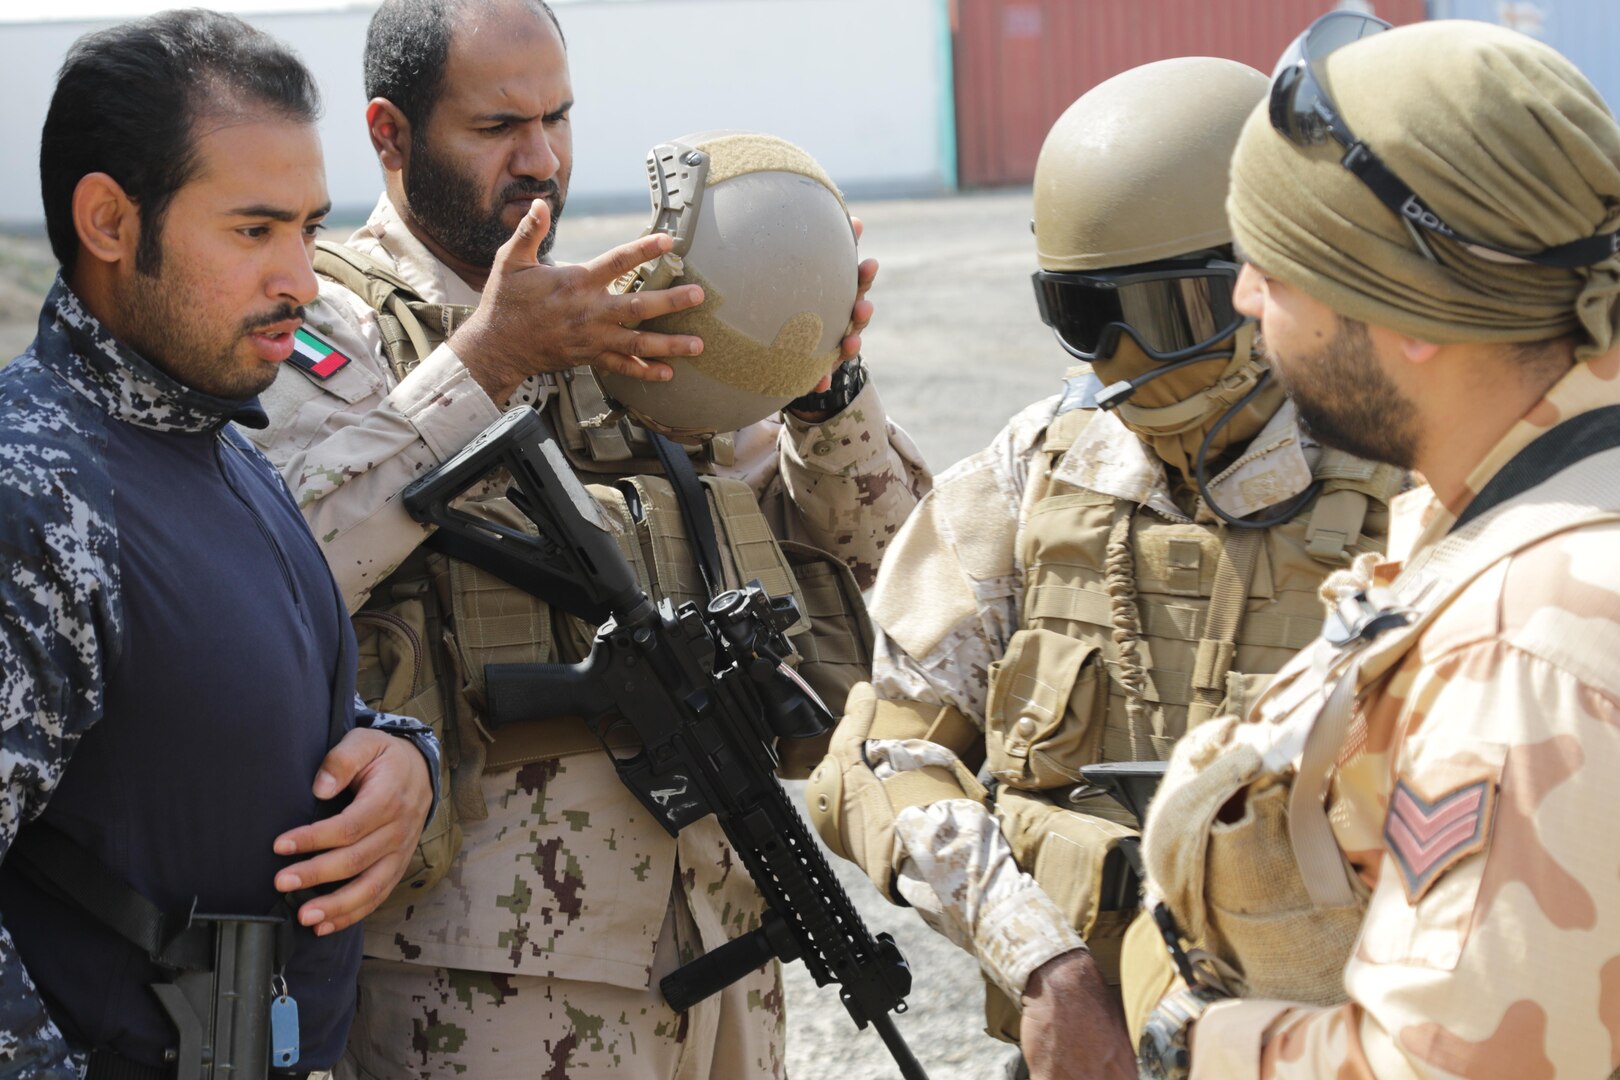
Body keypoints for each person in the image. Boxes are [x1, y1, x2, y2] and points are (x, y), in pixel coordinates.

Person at [240, 0, 929, 1075]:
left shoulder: (620, 320)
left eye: (558, 118)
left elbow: (891, 569)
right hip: (486, 981)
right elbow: (275, 570)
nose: (543, 158)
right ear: (390, 134)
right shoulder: (324, 331)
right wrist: (487, 361)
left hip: (725, 932)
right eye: (498, 127)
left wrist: (822, 386)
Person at [805, 57, 1403, 1080]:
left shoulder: (1412, 472)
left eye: (1168, 313)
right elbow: (880, 756)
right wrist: (1043, 963)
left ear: (1269, 278)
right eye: (1090, 318)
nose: (1128, 359)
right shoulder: (1038, 470)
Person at [1123, 15, 1620, 1079]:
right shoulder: (1526, 501)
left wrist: (1198, 1045)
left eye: (1278, 268)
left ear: (1414, 318)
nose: (1248, 298)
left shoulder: (1525, 644)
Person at [0, 10, 439, 1078]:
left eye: (308, 225)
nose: (302, 277)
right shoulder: (41, 493)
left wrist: (400, 757)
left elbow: (206, 715)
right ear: (109, 221)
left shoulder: (217, 444)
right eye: (254, 231)